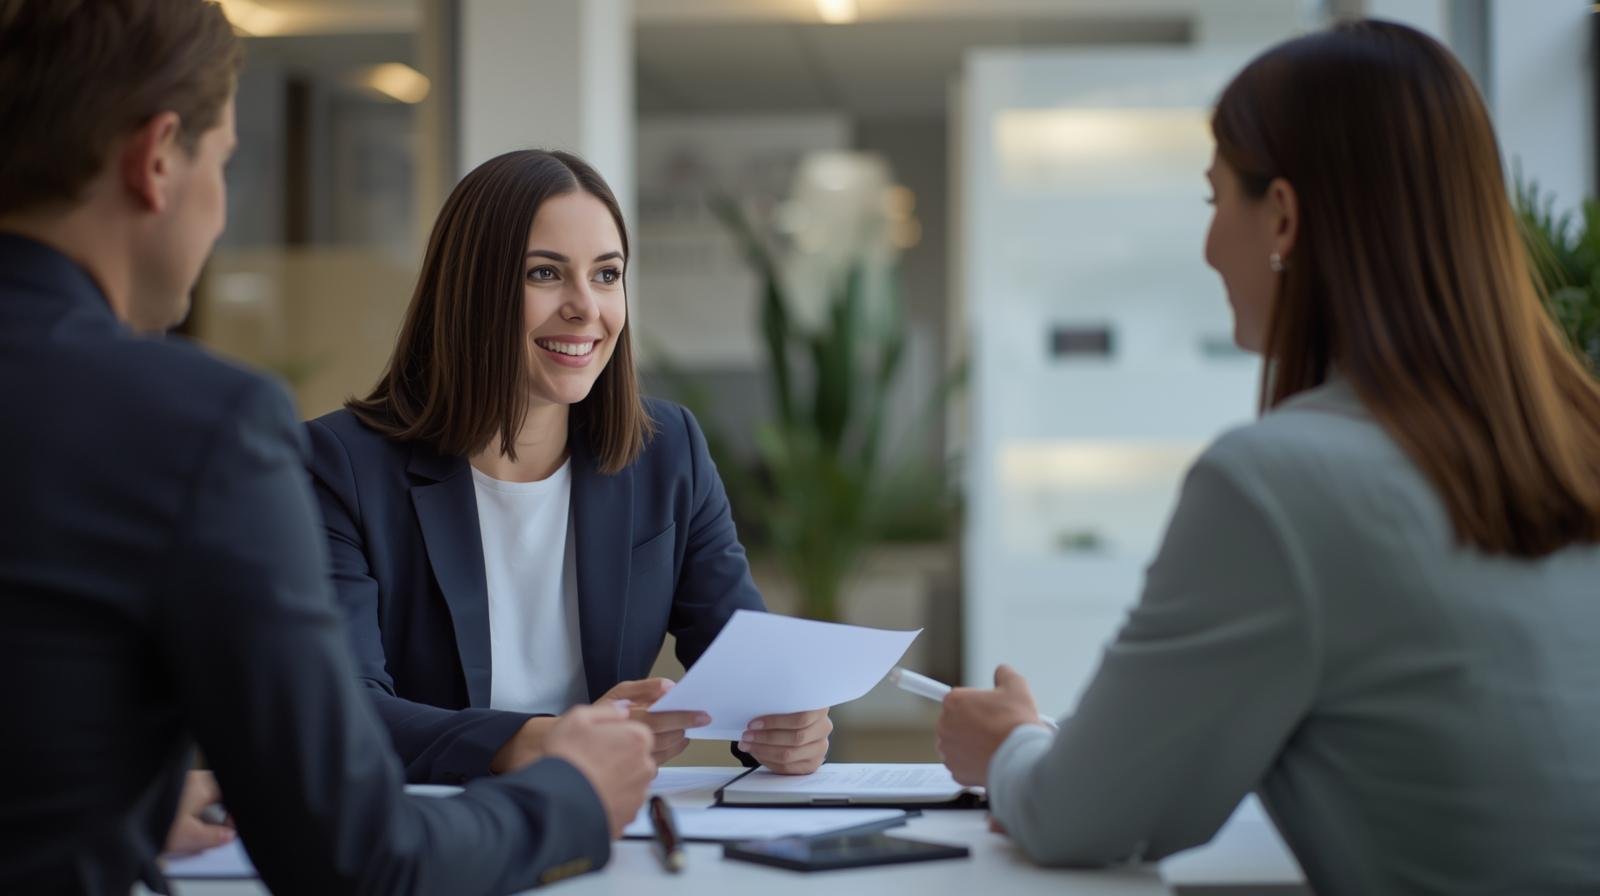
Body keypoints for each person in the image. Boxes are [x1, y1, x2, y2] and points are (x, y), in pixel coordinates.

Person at [0, 2, 655, 893]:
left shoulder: (660, 446)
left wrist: (131, 801)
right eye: (225, 163)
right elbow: (356, 856)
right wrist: (569, 795)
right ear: (157, 161)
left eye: (606, 272)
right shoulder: (198, 427)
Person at [935, 19, 1600, 896]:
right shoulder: (1576, 441)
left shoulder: (1275, 483)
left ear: (1281, 214)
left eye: (1215, 203)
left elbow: (1083, 816)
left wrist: (1009, 742)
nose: (1210, 248)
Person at [304, 149, 832, 782]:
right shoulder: (339, 467)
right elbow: (341, 708)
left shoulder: (668, 453)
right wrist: (543, 742)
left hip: (605, 824)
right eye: (545, 274)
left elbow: (748, 666)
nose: (587, 307)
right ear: (471, 290)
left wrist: (785, 727)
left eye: (607, 275)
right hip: (426, 828)